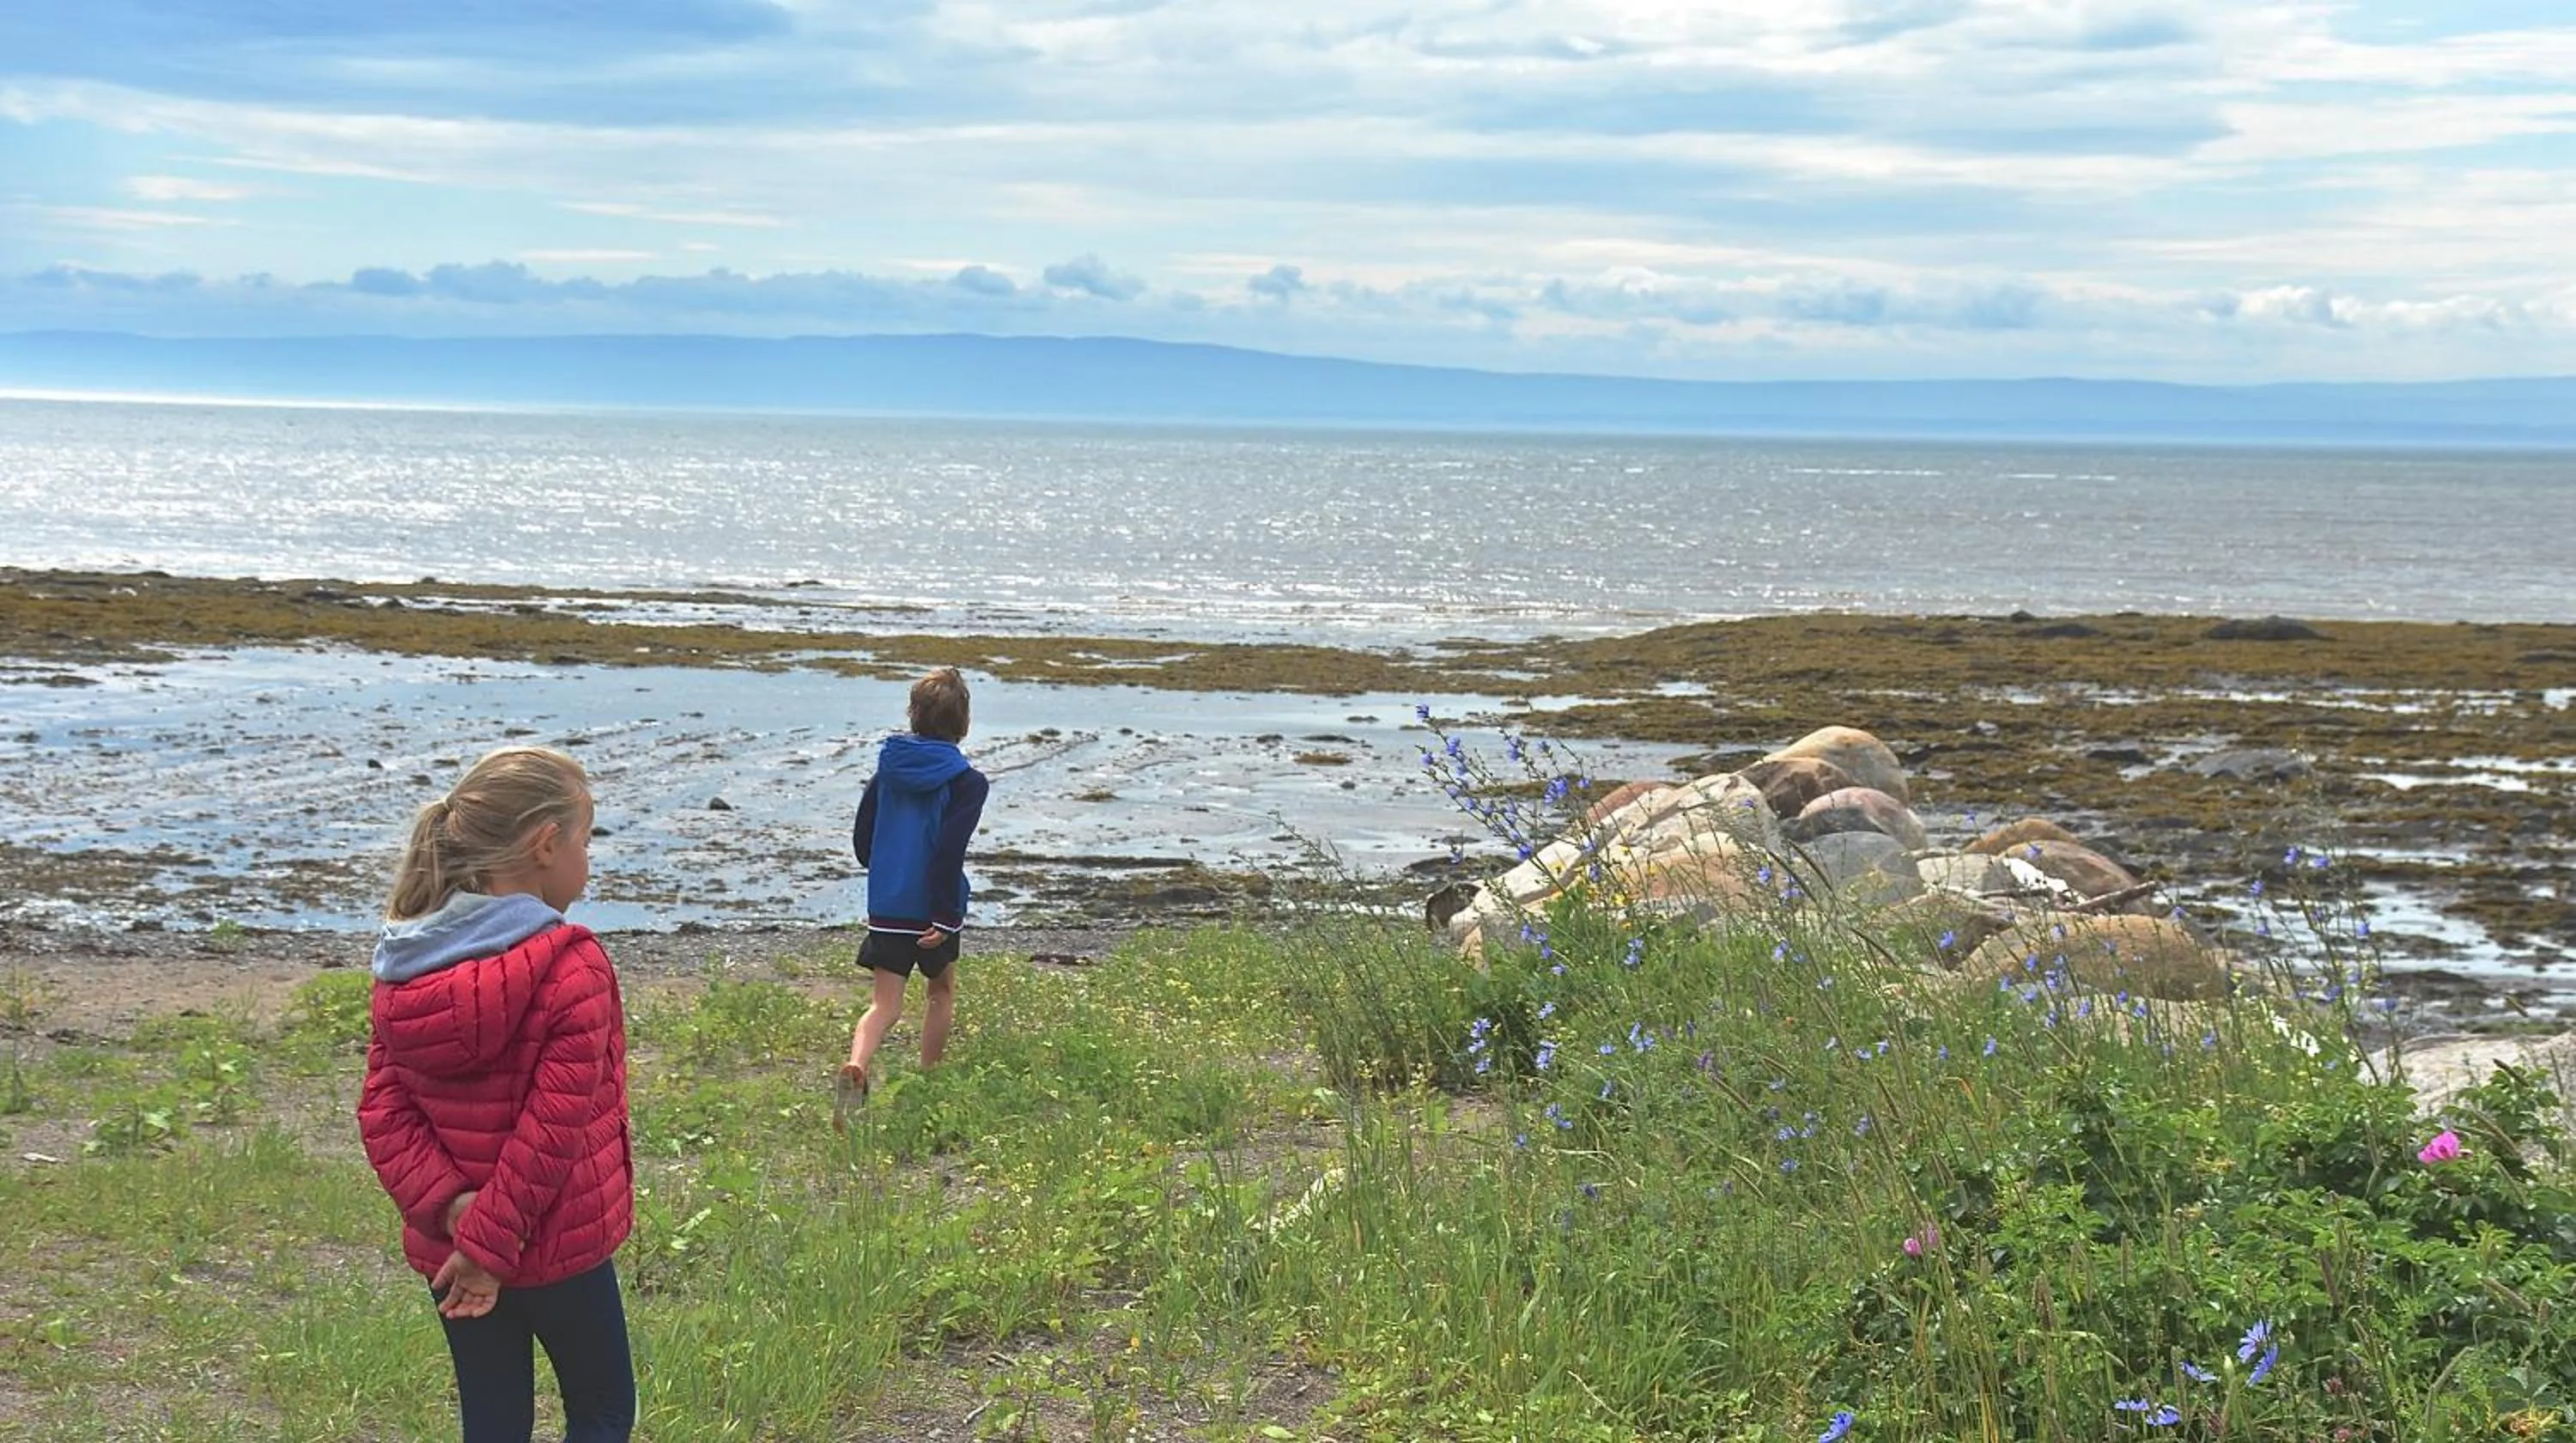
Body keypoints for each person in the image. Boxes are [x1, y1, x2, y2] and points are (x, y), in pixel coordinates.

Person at [357, 746, 635, 1443]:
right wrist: (488, 1246)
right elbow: (553, 1130)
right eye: (586, 838)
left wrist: (455, 1215)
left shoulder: (406, 959)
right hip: (554, 1243)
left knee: (492, 1419)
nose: (589, 858)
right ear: (545, 845)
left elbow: (383, 1112)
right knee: (601, 1412)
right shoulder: (571, 964)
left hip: (450, 1245)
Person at [835, 667, 990, 1128]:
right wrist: (944, 913)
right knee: (940, 992)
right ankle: (929, 1078)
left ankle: (858, 1066)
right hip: (930, 909)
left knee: (885, 1004)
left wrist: (885, 873)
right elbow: (947, 850)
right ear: (962, 722)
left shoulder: (887, 773)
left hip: (887, 904)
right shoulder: (967, 782)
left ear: (913, 715)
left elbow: (863, 840)